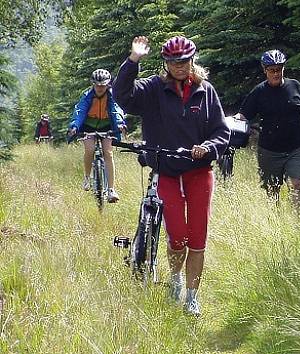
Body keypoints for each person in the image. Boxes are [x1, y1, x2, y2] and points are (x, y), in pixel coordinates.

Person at [113, 35, 230, 316]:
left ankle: (192, 296)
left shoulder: (206, 91)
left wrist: (207, 147)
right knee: (177, 235)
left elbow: (221, 132)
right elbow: (122, 96)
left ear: (193, 60)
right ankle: (175, 278)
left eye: (185, 60)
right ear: (166, 63)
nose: (180, 65)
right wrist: (133, 60)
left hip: (199, 173)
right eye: (174, 61)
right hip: (166, 171)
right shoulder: (153, 88)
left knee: (197, 237)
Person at [235, 49, 300, 209]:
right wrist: (229, 127)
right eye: (272, 70)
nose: (276, 73)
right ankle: (275, 221)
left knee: (296, 183)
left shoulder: (295, 86)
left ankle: (296, 221)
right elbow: (243, 115)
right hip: (269, 150)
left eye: (279, 69)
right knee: (272, 189)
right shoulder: (259, 92)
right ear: (264, 70)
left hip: (296, 148)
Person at [67, 69, 126, 203]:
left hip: (107, 126)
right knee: (90, 150)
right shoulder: (88, 95)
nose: (100, 88)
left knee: (108, 153)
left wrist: (120, 123)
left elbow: (116, 109)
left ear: (107, 84)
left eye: (103, 85)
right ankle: (87, 178)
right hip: (89, 126)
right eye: (97, 85)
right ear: (93, 84)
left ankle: (111, 189)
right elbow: (80, 111)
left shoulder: (111, 95)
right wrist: (75, 126)